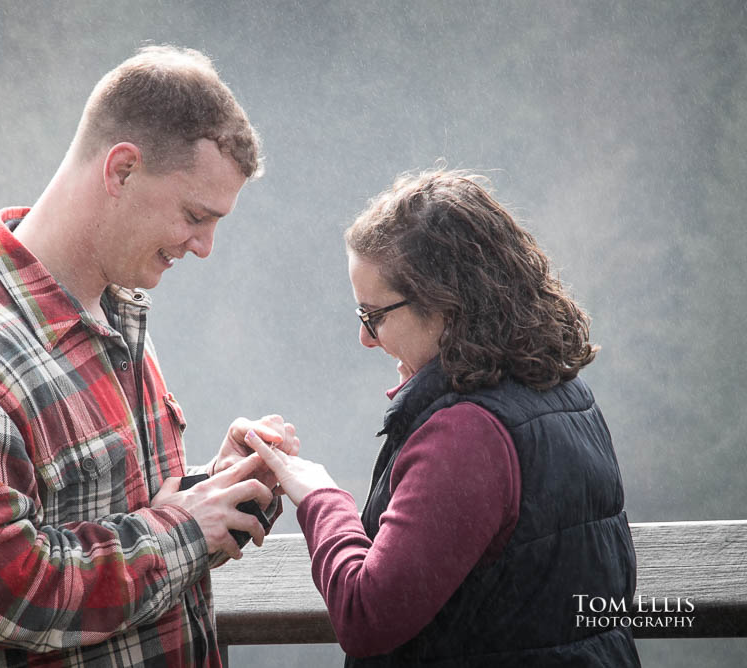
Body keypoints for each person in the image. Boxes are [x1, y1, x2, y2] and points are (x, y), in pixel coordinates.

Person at [0, 45, 298, 668]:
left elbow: (127, 522)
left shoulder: (112, 309)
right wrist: (186, 529)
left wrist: (215, 490)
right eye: (194, 215)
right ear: (122, 170)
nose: (205, 247)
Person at [244, 169, 640, 667]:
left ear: (445, 304)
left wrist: (320, 498)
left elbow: (368, 617)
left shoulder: (467, 435)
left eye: (375, 316)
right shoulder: (563, 391)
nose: (366, 339)